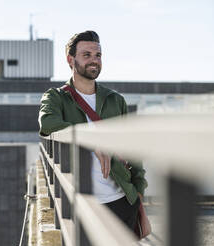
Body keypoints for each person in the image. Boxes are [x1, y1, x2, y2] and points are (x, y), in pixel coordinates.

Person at [38, 30, 148, 231]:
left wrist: (139, 190)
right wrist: (91, 138)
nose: (94, 61)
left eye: (98, 55)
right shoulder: (56, 97)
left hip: (122, 203)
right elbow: (47, 124)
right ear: (71, 60)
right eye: (86, 55)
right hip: (81, 205)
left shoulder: (116, 100)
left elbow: (132, 148)